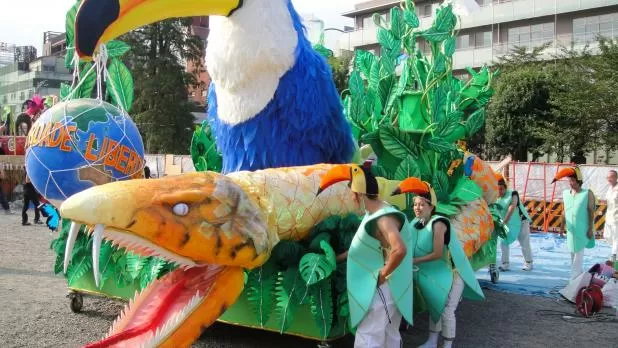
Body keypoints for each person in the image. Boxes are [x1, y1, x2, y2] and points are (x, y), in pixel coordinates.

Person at [317, 164, 413, 348]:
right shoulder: (377, 211)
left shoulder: (383, 217)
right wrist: (338, 258)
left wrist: (382, 275)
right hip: (392, 288)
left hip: (382, 289)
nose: (350, 198)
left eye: (351, 193)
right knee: (387, 336)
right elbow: (366, 247)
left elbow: (399, 249)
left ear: (359, 194)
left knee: (369, 336)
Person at [392, 177, 484, 348]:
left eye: (421, 204)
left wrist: (413, 260)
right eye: (415, 204)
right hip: (437, 273)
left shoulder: (439, 223)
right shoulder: (415, 223)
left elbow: (436, 253)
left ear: (431, 206)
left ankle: (447, 345)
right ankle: (432, 342)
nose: (417, 208)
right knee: (436, 305)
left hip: (454, 273)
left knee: (447, 311)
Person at [553, 166, 596, 279]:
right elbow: (564, 211)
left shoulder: (587, 193)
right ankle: (579, 278)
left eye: (573, 181)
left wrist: (590, 228)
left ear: (579, 181)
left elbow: (591, 211)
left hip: (583, 229)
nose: (571, 183)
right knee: (572, 253)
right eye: (569, 181)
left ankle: (573, 280)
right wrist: (562, 228)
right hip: (571, 230)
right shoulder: (566, 193)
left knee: (578, 255)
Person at [495, 173, 534, 271]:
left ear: (505, 188)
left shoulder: (513, 193)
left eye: (502, 189)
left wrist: (504, 222)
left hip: (521, 221)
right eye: (498, 189)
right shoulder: (495, 198)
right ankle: (505, 264)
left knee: (524, 242)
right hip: (507, 223)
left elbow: (512, 207)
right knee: (503, 242)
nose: (500, 191)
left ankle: (528, 263)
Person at [605, 170, 618, 263]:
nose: (609, 179)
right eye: (608, 177)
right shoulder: (609, 188)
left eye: (611, 177)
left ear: (616, 177)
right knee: (607, 236)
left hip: (616, 219)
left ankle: (614, 258)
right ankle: (615, 253)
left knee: (616, 239)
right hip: (608, 217)